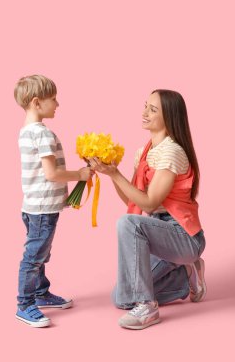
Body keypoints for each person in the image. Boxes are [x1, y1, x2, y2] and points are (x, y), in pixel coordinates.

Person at [89, 89, 206, 330]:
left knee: (126, 223)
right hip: (157, 233)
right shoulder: (143, 153)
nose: (144, 113)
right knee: (121, 298)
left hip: (183, 236)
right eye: (145, 106)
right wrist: (111, 174)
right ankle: (185, 277)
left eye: (153, 110)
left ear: (169, 117)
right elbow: (134, 202)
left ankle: (148, 306)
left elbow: (150, 203)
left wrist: (116, 174)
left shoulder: (172, 152)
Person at [14, 75, 93, 327]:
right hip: (42, 208)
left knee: (40, 254)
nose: (57, 104)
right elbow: (52, 173)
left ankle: (40, 293)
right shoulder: (43, 134)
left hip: (32, 206)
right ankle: (25, 304)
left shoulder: (26, 131)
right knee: (34, 257)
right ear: (37, 103)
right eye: (53, 99)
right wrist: (80, 174)